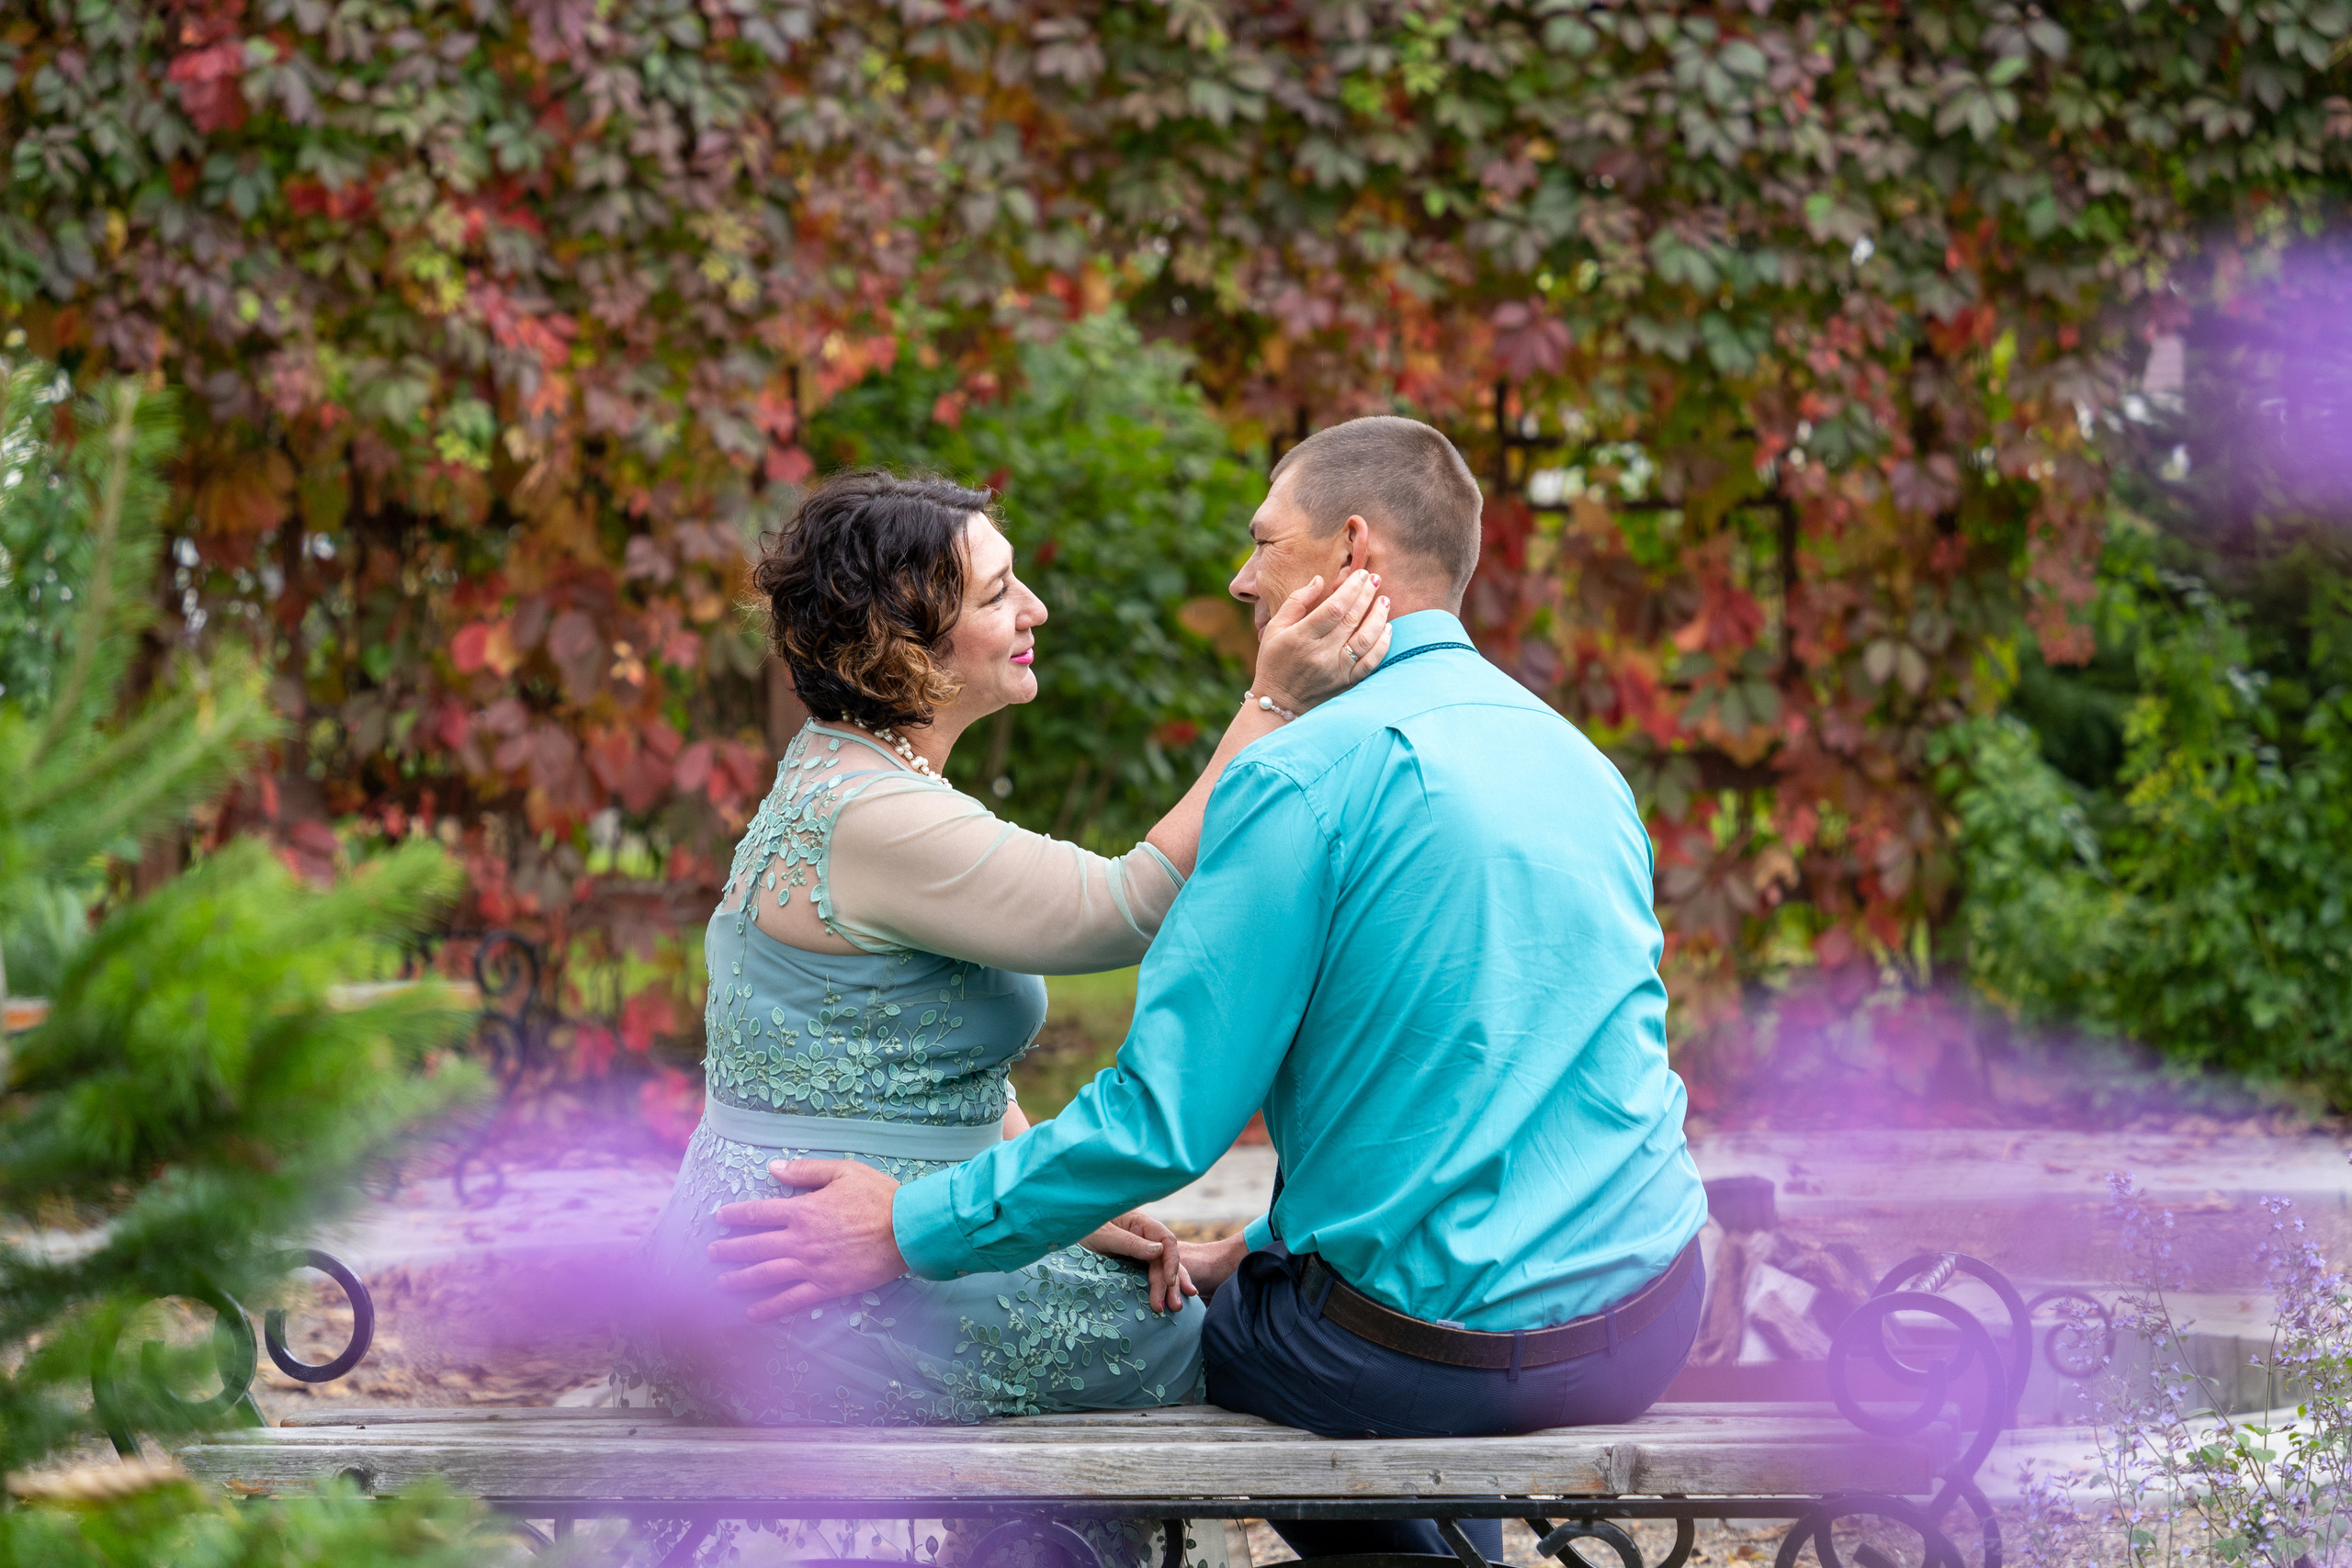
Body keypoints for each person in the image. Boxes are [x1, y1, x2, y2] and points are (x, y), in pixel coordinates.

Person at [707, 418, 1711, 1563]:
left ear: (1351, 551)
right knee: (1264, 1311)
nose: (1240, 577)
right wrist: (1263, 1246)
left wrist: (908, 1227)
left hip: (1429, 1359)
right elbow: (1487, 1078)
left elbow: (1162, 1123)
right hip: (1650, 1318)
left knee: (1220, 1342)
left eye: (1262, 543)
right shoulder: (1578, 761)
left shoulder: (1298, 776)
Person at [614, 470, 1387, 1556]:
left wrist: (1064, 1209)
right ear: (903, 645)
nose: (1036, 610)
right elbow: (1125, 906)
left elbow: (920, 1058)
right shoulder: (874, 814)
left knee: (1197, 1309)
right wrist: (1274, 704)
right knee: (1225, 1345)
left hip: (757, 1258)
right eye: (997, 593)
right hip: (804, 1283)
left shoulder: (841, 776)